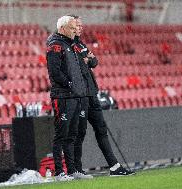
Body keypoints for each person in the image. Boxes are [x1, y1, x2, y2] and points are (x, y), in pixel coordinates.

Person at [71, 15, 135, 176]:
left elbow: (94, 62)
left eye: (81, 25)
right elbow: (75, 65)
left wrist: (88, 59)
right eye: (77, 25)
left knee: (101, 129)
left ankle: (114, 167)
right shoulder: (68, 45)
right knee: (80, 133)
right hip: (80, 96)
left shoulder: (80, 44)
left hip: (92, 94)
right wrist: (85, 60)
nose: (80, 27)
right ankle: (76, 169)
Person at [46, 15, 90, 181]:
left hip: (74, 95)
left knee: (72, 134)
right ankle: (59, 172)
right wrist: (70, 83)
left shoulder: (70, 44)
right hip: (62, 96)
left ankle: (72, 170)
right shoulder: (55, 45)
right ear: (63, 28)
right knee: (61, 135)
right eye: (72, 28)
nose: (75, 31)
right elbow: (55, 72)